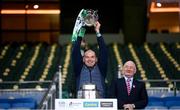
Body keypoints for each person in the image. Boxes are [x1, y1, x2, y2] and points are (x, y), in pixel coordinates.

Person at [72, 21, 108, 98]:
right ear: (83, 59)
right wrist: (81, 32)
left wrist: (97, 32)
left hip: (100, 102)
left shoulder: (101, 68)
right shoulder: (79, 69)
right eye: (87, 57)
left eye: (92, 57)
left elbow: (104, 51)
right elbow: (75, 51)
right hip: (81, 102)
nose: (90, 59)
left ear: (96, 59)